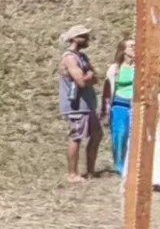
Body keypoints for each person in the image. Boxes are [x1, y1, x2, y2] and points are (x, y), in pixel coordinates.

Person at [58, 25, 101, 182]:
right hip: (76, 105)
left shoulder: (82, 57)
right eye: (84, 36)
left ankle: (90, 171)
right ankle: (72, 174)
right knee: (76, 137)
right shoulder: (69, 58)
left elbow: (95, 76)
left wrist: (89, 76)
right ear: (75, 39)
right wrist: (89, 76)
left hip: (88, 104)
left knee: (97, 135)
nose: (87, 39)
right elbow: (81, 82)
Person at [103, 37, 136, 176]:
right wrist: (106, 109)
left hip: (134, 104)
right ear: (123, 50)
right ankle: (120, 165)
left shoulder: (139, 67)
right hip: (119, 105)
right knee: (120, 135)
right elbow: (107, 89)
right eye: (131, 46)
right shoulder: (115, 68)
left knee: (133, 136)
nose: (135, 48)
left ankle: (132, 165)